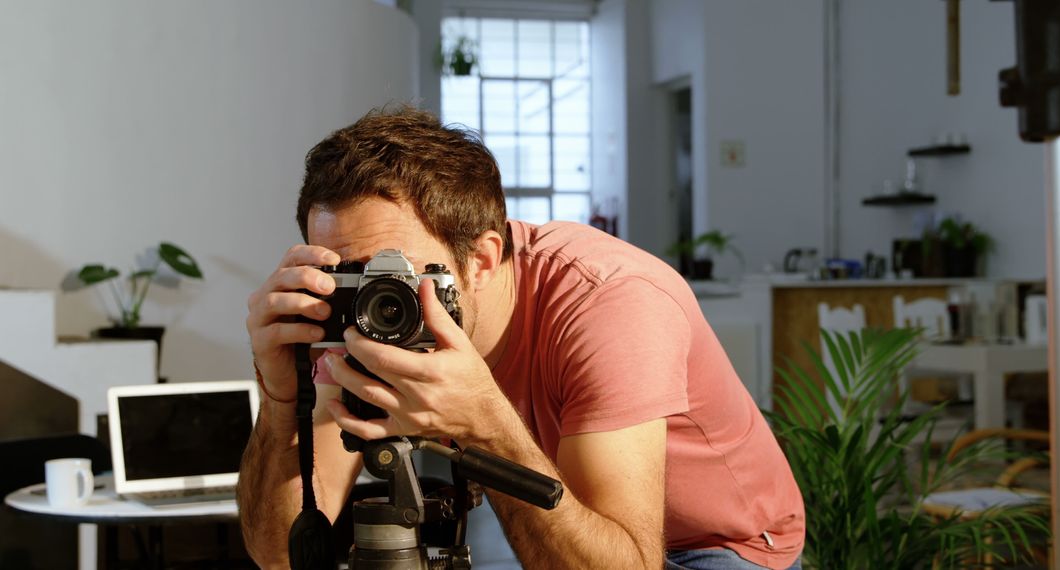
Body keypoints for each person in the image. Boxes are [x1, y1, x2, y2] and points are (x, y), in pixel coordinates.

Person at [238, 106, 804, 570]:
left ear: (480, 261)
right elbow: (279, 553)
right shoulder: (360, 320)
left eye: (399, 277)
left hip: (717, 545)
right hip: (582, 530)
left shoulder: (610, 300)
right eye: (351, 277)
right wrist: (283, 399)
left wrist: (482, 422)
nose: (378, 304)